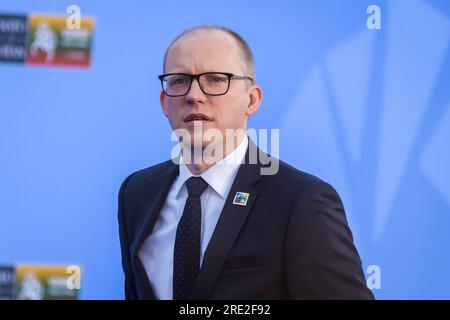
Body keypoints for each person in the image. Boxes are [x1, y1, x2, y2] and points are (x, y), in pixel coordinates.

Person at [117, 25, 374, 300]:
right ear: (164, 102)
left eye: (215, 79)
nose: (193, 95)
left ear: (252, 100)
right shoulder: (136, 192)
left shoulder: (301, 201)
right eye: (179, 81)